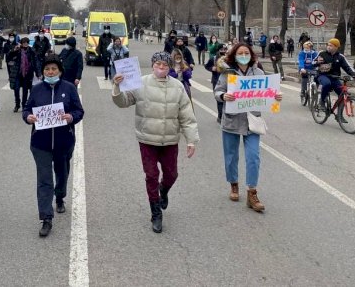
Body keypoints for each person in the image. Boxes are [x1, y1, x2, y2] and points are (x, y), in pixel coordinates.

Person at [112, 52, 198, 233]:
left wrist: (191, 140)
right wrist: (117, 87)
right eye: (158, 65)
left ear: (169, 68)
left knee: (172, 174)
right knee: (151, 175)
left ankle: (163, 190)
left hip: (169, 140)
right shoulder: (140, 83)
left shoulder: (178, 87)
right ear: (152, 66)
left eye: (165, 65)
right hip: (147, 138)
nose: (161, 68)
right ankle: (156, 212)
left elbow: (187, 115)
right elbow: (123, 102)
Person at [214, 43, 282, 213]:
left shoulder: (258, 72)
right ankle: (234, 185)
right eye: (240, 53)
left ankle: (252, 192)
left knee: (253, 157)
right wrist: (223, 96)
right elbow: (217, 91)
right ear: (234, 55)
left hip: (253, 121)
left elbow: (268, 93)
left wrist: (276, 97)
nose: (243, 55)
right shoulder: (227, 73)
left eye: (246, 52)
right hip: (231, 120)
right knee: (231, 156)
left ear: (251, 55)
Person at [23, 55, 84, 237]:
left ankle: (60, 196)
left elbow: (79, 110)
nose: (50, 72)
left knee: (62, 172)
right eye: (47, 69)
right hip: (40, 142)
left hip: (64, 141)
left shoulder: (69, 88)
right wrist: (28, 117)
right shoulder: (36, 90)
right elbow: (27, 109)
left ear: (60, 71)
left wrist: (71, 117)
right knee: (44, 179)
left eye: (54, 69)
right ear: (43, 72)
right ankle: (46, 217)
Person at [314, 38, 355, 111]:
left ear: (336, 47)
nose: (328, 47)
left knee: (343, 94)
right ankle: (322, 101)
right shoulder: (322, 53)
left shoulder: (340, 57)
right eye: (328, 45)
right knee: (327, 84)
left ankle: (339, 115)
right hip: (322, 75)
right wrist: (317, 62)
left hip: (335, 78)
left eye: (331, 45)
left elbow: (347, 67)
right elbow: (313, 63)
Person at [6, 37, 37, 112]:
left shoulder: (31, 50)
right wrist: (13, 50)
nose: (25, 44)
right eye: (24, 42)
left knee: (25, 91)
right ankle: (17, 105)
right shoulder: (18, 50)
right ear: (21, 43)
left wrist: (38, 72)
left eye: (26, 42)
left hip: (27, 74)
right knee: (16, 89)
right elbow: (8, 57)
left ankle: (24, 105)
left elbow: (35, 62)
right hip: (18, 73)